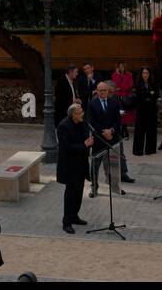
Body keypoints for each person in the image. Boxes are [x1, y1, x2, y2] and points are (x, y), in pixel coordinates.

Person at [87, 81, 133, 194]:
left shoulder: (114, 102)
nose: (102, 92)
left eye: (104, 90)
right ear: (97, 91)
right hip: (99, 138)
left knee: (114, 164)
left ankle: (115, 187)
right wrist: (104, 132)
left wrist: (111, 130)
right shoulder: (92, 103)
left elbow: (118, 120)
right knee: (95, 164)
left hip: (113, 138)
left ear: (108, 91)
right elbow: (91, 121)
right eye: (100, 90)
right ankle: (94, 187)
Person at [55, 104, 92, 233]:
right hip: (69, 166)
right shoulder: (63, 126)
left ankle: (75, 216)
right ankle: (67, 222)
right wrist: (84, 145)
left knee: (79, 192)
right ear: (73, 114)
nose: (82, 114)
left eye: (82, 111)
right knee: (70, 194)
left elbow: (86, 139)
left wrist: (88, 144)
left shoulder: (83, 123)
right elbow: (66, 147)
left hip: (81, 164)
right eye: (79, 112)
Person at [131, 66, 160, 155]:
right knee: (140, 131)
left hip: (151, 110)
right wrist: (147, 95)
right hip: (141, 110)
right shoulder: (138, 84)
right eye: (143, 73)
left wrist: (148, 95)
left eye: (147, 73)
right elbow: (138, 96)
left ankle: (150, 149)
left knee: (151, 130)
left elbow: (155, 95)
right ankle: (138, 150)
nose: (145, 75)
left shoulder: (154, 84)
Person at [111, 61, 135, 136]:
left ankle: (124, 129)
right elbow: (115, 85)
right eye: (120, 66)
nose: (121, 68)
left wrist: (121, 88)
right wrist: (118, 75)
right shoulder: (114, 75)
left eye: (122, 66)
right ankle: (122, 129)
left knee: (125, 114)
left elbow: (130, 85)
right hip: (117, 97)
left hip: (126, 96)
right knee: (119, 113)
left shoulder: (129, 75)